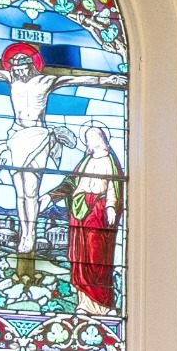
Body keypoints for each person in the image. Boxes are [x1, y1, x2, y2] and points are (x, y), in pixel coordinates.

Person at [0, 42, 126, 281]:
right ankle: (24, 232)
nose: (16, 71)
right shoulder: (11, 79)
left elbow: (78, 79)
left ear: (30, 64)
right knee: (20, 191)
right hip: (17, 136)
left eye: (20, 67)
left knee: (31, 189)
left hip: (38, 135)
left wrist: (108, 80)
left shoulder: (46, 81)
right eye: (13, 67)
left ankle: (30, 232)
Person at [53, 124, 123, 314]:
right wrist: (51, 197)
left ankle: (102, 304)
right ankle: (84, 303)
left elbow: (114, 187)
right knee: (81, 257)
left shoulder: (110, 162)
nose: (90, 140)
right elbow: (70, 183)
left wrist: (111, 206)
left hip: (98, 212)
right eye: (88, 137)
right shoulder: (84, 162)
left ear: (103, 139)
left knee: (97, 255)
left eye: (93, 136)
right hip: (79, 212)